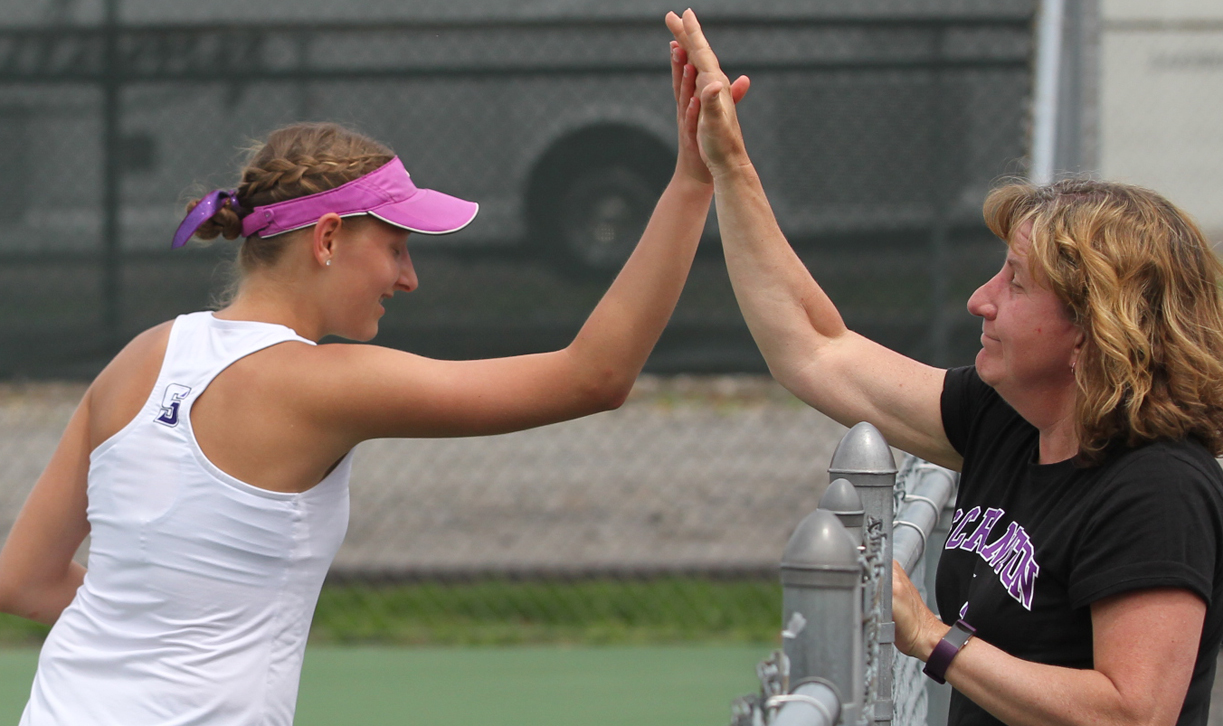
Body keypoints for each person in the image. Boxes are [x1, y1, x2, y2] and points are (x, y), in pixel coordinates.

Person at [0, 40, 749, 724]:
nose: (408, 277)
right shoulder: (324, 383)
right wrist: (692, 180)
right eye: (395, 247)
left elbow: (24, 581)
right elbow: (595, 376)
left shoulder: (140, 357)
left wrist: (157, 633)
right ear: (327, 239)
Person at [667, 8, 1223, 726]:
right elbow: (816, 348)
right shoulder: (1010, 421)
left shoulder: (1158, 489)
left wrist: (933, 639)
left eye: (1015, 282)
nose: (981, 301)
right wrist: (730, 166)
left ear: (1094, 328)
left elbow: (1131, 714)